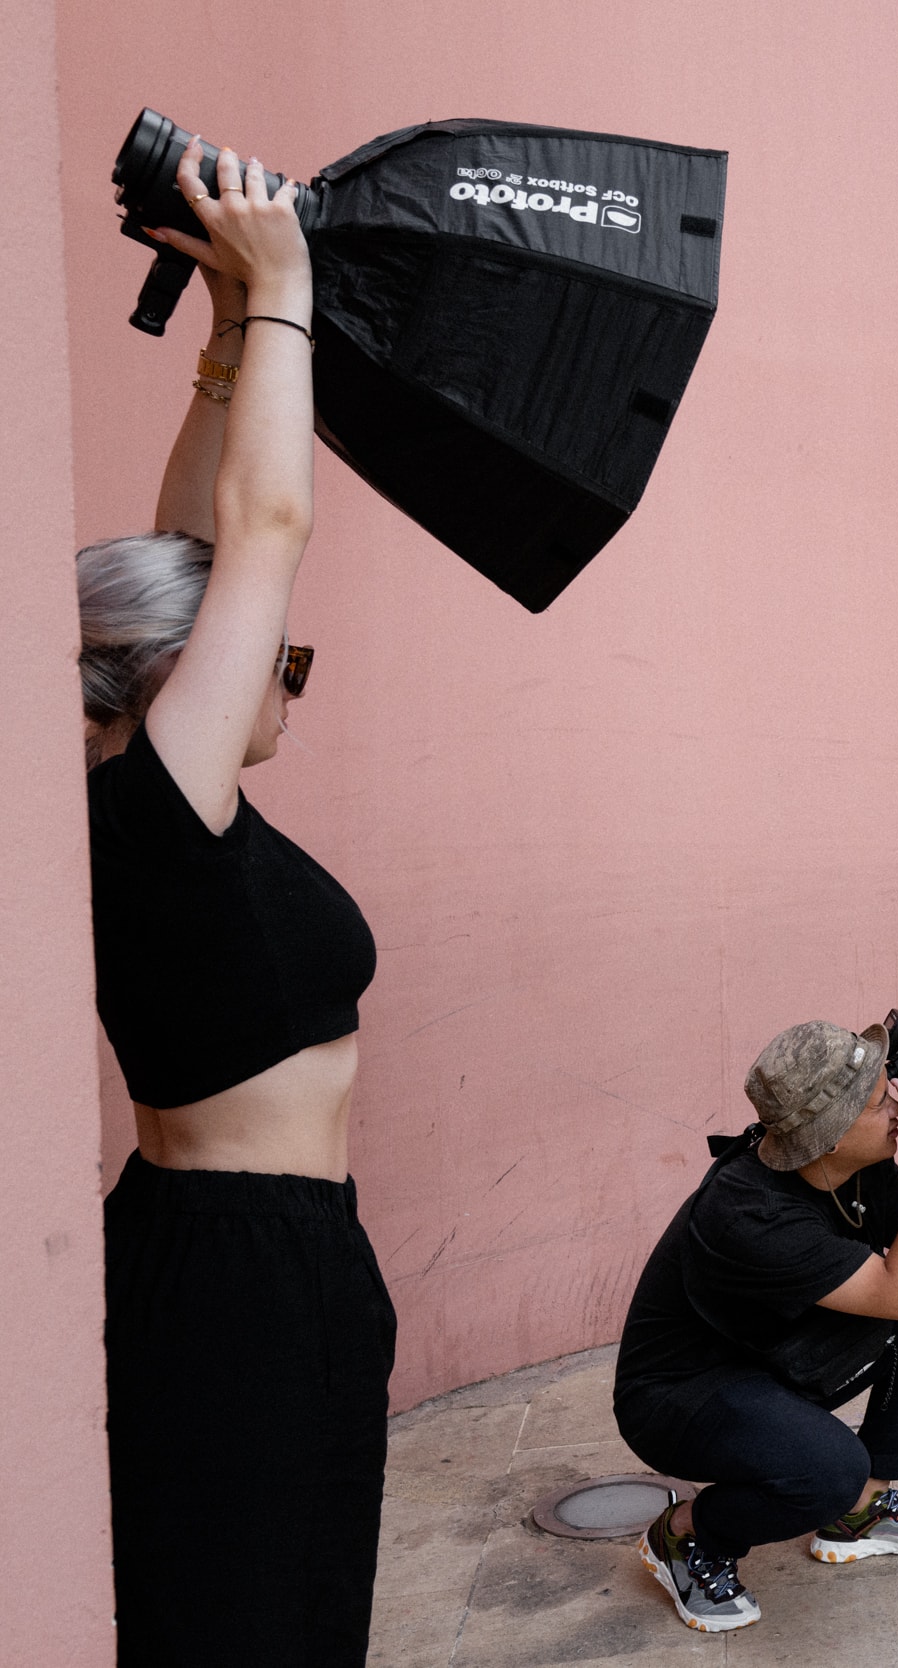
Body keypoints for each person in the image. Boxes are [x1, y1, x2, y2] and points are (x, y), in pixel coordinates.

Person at [81, 141, 395, 1663]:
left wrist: (218, 344)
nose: (282, 679)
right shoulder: (150, 810)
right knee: (252, 1618)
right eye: (281, 661)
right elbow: (262, 537)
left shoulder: (137, 802)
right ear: (168, 682)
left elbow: (204, 553)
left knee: (257, 1594)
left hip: (251, 1253)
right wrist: (282, 297)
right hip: (242, 1281)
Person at [614, 1019, 898, 1633]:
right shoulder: (749, 1213)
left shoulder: (856, 1164)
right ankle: (688, 1535)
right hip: (680, 1394)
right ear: (827, 1137)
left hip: (770, 1353)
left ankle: (859, 1509)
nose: (897, 1104)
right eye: (878, 1102)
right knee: (828, 1471)